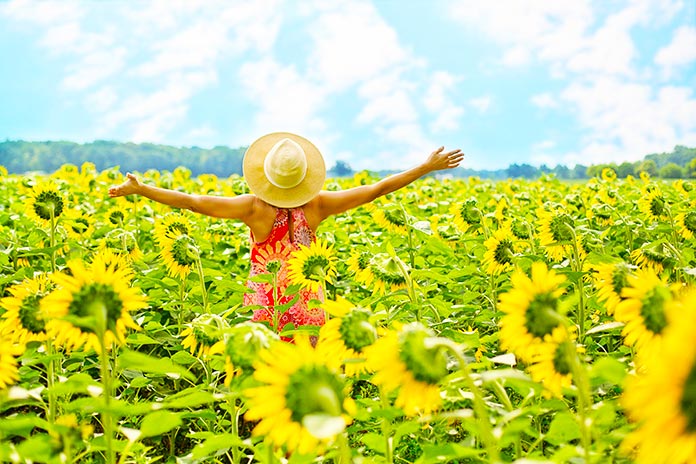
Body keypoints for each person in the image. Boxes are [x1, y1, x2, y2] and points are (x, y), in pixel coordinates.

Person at [108, 132, 464, 336]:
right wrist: (425, 167)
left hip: (269, 310)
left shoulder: (254, 209)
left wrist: (144, 189)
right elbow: (376, 189)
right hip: (310, 307)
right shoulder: (319, 205)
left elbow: (193, 201)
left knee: (269, 381)